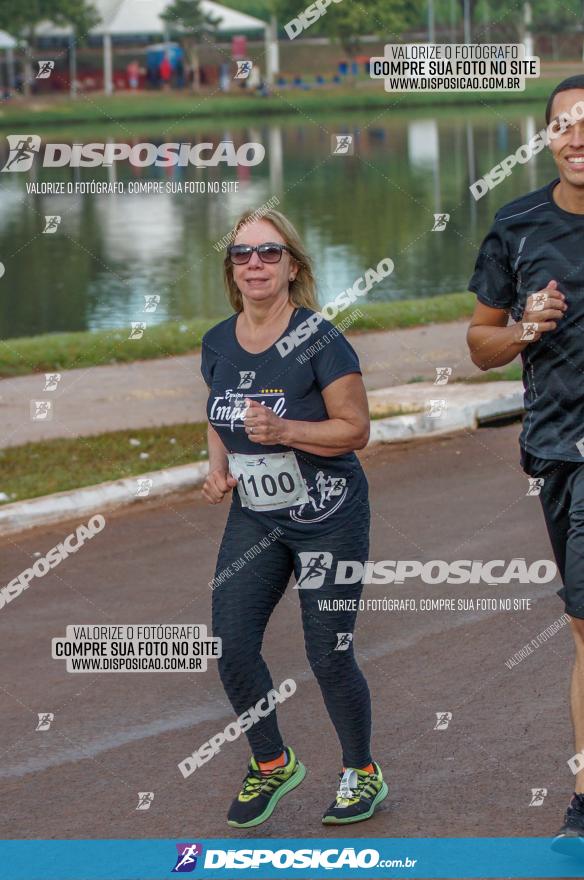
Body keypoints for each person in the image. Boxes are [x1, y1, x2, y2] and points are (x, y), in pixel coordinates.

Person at [200, 209, 387, 828]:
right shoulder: (218, 342)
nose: (255, 263)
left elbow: (356, 429)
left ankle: (362, 772)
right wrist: (218, 465)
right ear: (231, 268)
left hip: (330, 514)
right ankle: (272, 762)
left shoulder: (322, 339)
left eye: (269, 253)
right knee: (229, 643)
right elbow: (218, 410)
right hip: (258, 517)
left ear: (293, 266)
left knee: (328, 652)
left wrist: (286, 431)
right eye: (243, 253)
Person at [466, 75, 584, 852]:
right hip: (555, 451)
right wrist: (525, 329)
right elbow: (478, 345)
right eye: (565, 125)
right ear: (546, 138)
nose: (579, 138)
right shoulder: (516, 226)